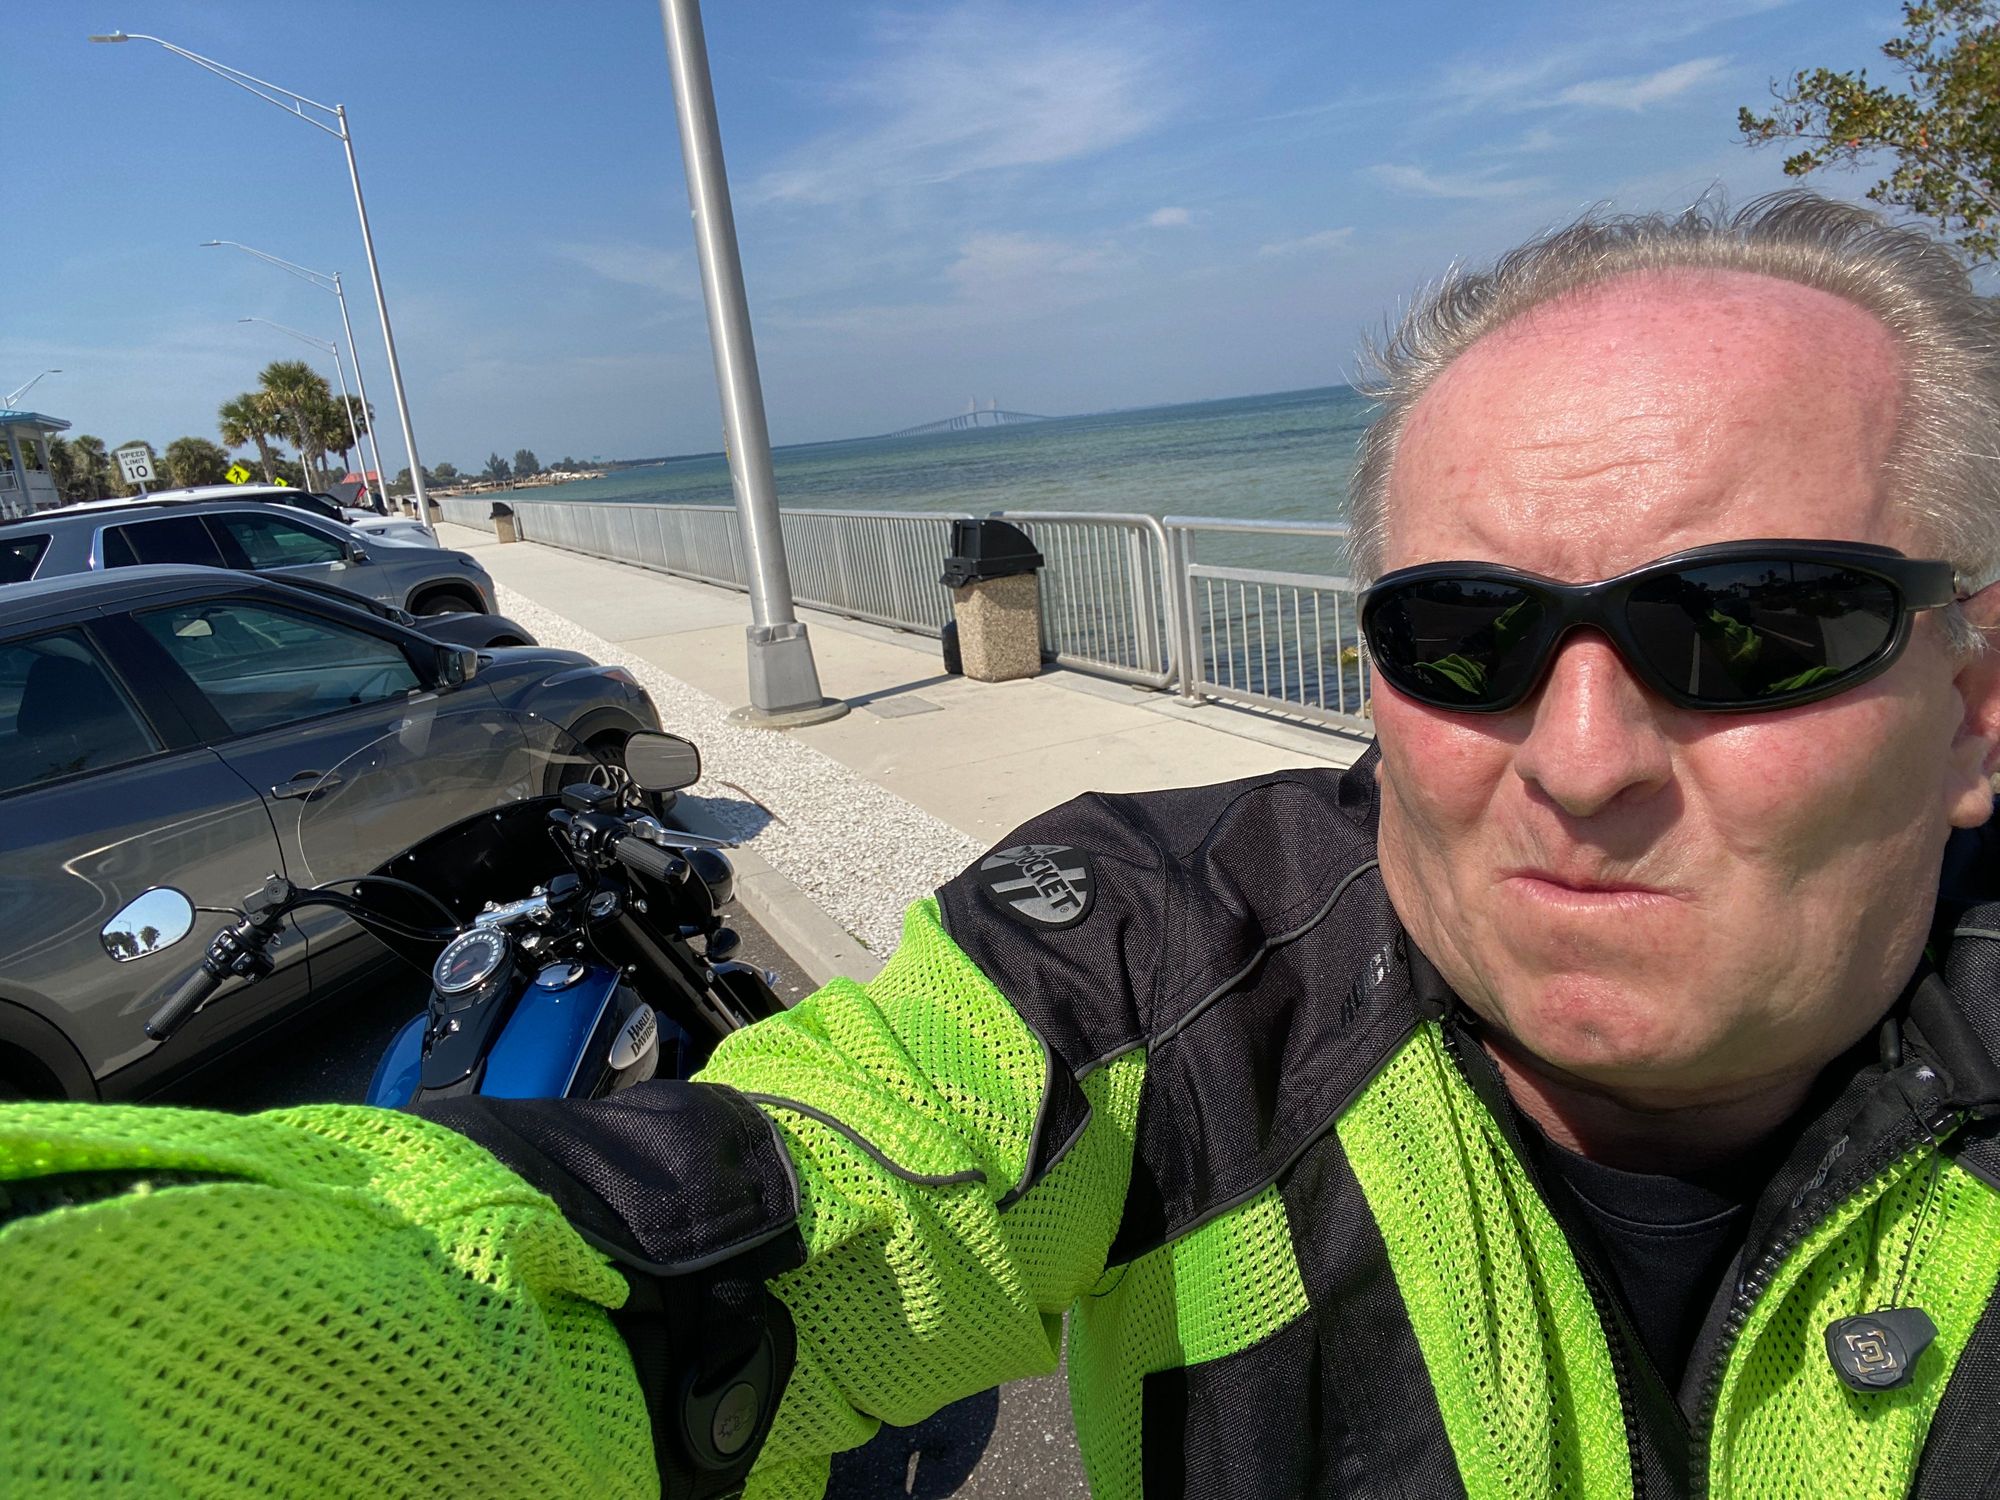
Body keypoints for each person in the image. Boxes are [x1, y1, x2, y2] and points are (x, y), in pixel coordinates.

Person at [9, 188, 2000, 1499]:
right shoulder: (1157, 971)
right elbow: (697, 1236)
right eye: (1465, 635)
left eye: (1754, 628)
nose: (1578, 759)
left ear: (1975, 706)